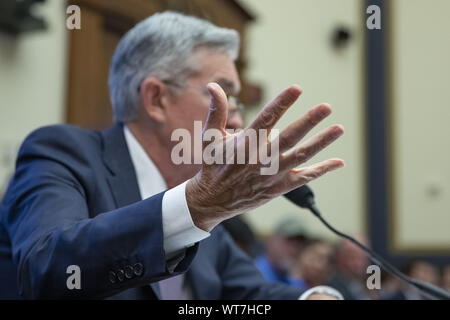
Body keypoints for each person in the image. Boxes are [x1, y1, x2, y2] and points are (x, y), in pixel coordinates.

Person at [0, 11, 344, 299]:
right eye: (226, 96)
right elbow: (45, 269)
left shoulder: (201, 203)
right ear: (156, 99)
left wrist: (313, 297)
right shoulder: (63, 153)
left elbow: (251, 295)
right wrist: (197, 206)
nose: (238, 119)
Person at [254, 217, 309, 285]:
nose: (293, 250)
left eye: (299, 244)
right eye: (289, 241)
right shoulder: (254, 273)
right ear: (271, 241)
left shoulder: (296, 281)